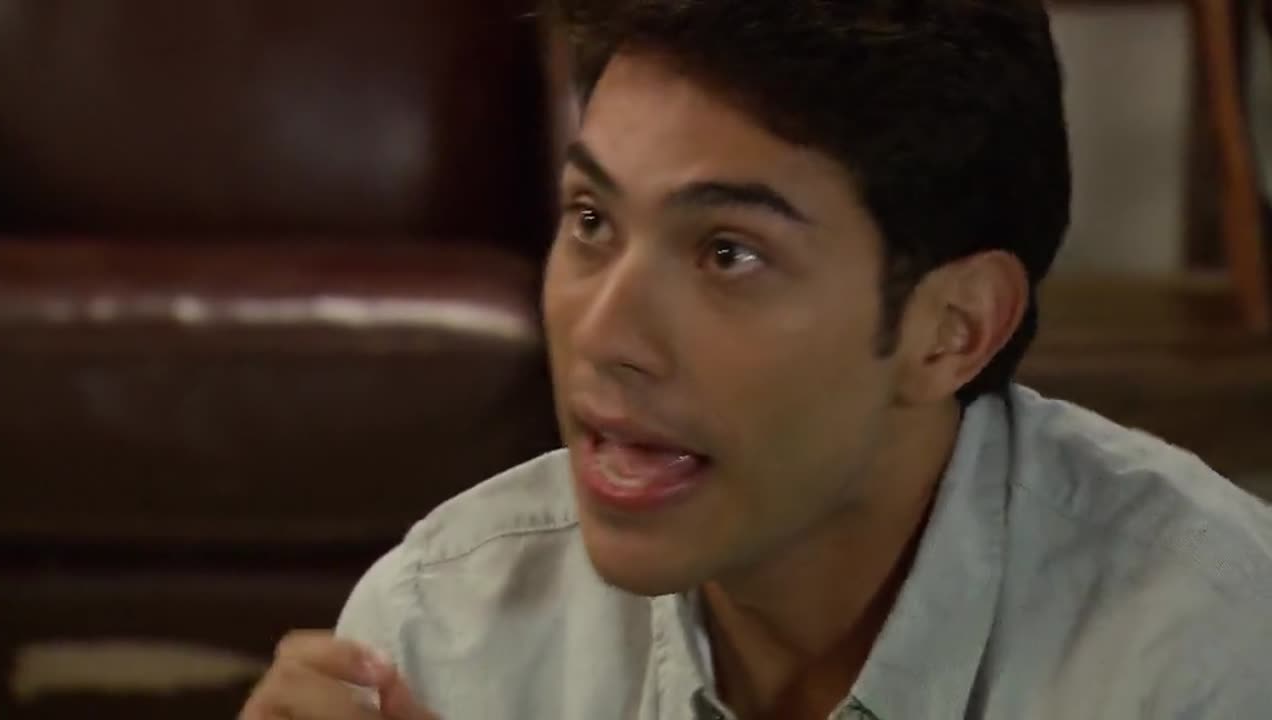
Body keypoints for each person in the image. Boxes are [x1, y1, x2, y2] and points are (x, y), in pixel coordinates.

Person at [240, 1, 1272, 718]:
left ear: (952, 329)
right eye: (592, 219)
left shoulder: (1206, 655)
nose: (603, 333)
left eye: (727, 253)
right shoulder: (444, 633)